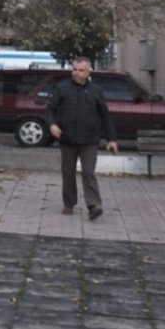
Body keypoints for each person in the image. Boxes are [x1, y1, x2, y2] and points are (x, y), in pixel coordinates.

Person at [45, 57, 116, 220]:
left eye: (81, 70)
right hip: (67, 139)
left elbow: (106, 116)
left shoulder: (96, 91)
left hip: (90, 140)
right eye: (75, 69)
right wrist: (52, 125)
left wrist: (111, 139)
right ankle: (69, 204)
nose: (77, 73)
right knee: (68, 173)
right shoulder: (62, 88)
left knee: (88, 172)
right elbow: (50, 110)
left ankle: (93, 205)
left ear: (88, 72)